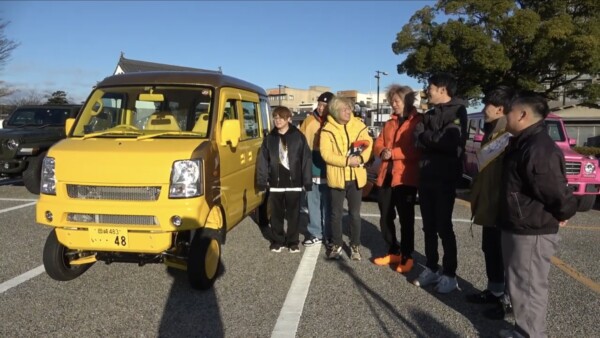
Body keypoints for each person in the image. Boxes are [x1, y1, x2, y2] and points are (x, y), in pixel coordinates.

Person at [497, 91, 577, 338]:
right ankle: (523, 331)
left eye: (508, 111)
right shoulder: (523, 142)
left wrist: (564, 211)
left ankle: (531, 334)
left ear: (522, 115)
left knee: (529, 287)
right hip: (520, 224)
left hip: (531, 228)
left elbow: (554, 189)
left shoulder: (538, 147)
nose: (504, 116)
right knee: (520, 285)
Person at [413, 72, 468, 293]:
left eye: (431, 87)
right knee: (428, 227)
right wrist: (430, 138)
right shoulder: (430, 112)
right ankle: (431, 267)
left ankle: (450, 274)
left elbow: (449, 140)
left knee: (444, 227)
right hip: (426, 176)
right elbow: (417, 138)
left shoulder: (459, 111)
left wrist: (429, 137)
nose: (428, 91)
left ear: (443, 89)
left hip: (445, 177)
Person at [466, 86, 515, 320]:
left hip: (501, 206)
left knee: (504, 254)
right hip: (488, 203)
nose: (483, 109)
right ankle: (495, 291)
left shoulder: (509, 136)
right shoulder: (492, 131)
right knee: (490, 249)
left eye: (487, 105)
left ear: (500, 109)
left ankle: (508, 301)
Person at [371, 85, 422, 273]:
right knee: (385, 216)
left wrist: (393, 153)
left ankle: (407, 254)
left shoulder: (418, 121)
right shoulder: (389, 122)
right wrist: (381, 151)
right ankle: (393, 249)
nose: (394, 104)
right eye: (392, 100)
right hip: (386, 174)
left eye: (397, 100)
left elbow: (416, 149)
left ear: (407, 100)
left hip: (405, 177)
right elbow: (378, 143)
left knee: (406, 218)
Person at [320, 96, 373, 260]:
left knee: (355, 214)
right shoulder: (327, 129)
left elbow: (368, 144)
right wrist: (346, 161)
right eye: (344, 109)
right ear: (336, 111)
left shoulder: (359, 125)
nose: (348, 111)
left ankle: (355, 245)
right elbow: (326, 154)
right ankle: (336, 244)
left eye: (349, 108)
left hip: (356, 177)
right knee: (336, 214)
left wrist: (361, 159)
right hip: (337, 178)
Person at [257, 106, 313, 253]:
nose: (277, 121)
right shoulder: (269, 138)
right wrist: (262, 181)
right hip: (275, 183)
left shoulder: (299, 137)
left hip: (294, 183)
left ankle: (293, 241)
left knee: (294, 215)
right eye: (275, 118)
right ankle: (277, 240)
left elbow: (306, 159)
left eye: (281, 118)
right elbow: (262, 160)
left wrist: (307, 181)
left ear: (289, 119)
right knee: (276, 215)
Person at [299, 91, 334, 247]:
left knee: (329, 204)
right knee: (312, 202)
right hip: (311, 167)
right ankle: (315, 233)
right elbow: (299, 142)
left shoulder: (335, 122)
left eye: (325, 105)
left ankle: (329, 234)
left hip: (330, 169)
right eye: (319, 104)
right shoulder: (308, 121)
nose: (321, 108)